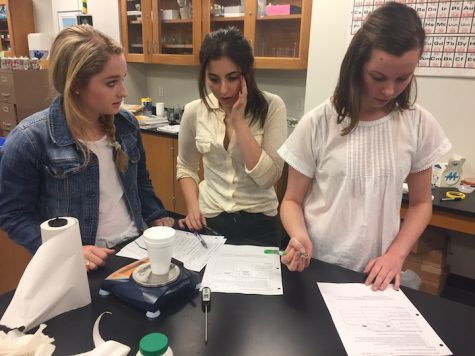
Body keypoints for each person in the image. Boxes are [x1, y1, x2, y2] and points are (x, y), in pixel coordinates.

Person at [278, 3, 452, 290]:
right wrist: (300, 235)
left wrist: (396, 255)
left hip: (376, 275)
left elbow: (421, 203)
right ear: (357, 65)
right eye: (378, 77)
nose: (388, 90)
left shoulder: (418, 123)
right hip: (318, 264)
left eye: (403, 78)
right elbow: (291, 201)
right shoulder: (319, 122)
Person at [0, 25, 174, 271]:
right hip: (78, 264)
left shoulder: (126, 125)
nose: (123, 92)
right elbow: (12, 215)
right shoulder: (29, 140)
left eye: (122, 79)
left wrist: (156, 214)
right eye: (111, 83)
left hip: (134, 248)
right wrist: (65, 252)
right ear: (76, 85)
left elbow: (140, 180)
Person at [177, 27, 288, 246]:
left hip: (261, 224)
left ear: (248, 72)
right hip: (211, 220)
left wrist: (238, 120)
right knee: (207, 281)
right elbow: (186, 166)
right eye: (214, 79)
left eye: (233, 77)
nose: (224, 89)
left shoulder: (272, 107)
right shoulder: (194, 111)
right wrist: (192, 207)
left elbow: (267, 178)